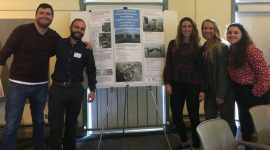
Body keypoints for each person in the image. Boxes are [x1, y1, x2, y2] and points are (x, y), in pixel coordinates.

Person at [0, 3, 91, 150]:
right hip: (17, 85)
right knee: (11, 124)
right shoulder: (21, 31)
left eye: (48, 14)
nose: (44, 16)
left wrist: (85, 44)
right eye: (41, 13)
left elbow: (68, 45)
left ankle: (39, 147)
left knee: (39, 121)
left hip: (40, 86)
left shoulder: (53, 37)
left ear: (52, 17)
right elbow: (3, 55)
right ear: (36, 15)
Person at [48, 18, 96, 150]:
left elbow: (91, 71)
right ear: (70, 28)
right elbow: (44, 52)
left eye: (82, 29)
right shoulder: (59, 43)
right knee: (55, 126)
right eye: (76, 27)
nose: (79, 30)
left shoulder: (86, 49)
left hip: (75, 90)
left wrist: (92, 89)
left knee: (71, 126)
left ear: (84, 31)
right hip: (57, 89)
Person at [163, 17, 205, 150]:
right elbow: (168, 64)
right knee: (176, 116)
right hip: (176, 84)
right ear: (180, 29)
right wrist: (167, 83)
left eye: (189, 26)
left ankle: (196, 146)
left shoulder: (198, 47)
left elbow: (200, 69)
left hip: (193, 85)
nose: (187, 29)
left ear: (193, 29)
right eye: (184, 26)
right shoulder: (173, 44)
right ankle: (184, 142)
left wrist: (202, 89)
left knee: (194, 117)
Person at [226, 23, 270, 150]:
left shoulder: (250, 50)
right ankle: (247, 147)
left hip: (256, 92)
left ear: (242, 35)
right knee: (245, 125)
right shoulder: (230, 50)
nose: (232, 35)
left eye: (236, 32)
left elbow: (265, 75)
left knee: (259, 127)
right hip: (241, 92)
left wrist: (253, 93)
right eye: (230, 32)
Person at [201, 19, 237, 136]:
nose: (207, 31)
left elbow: (223, 72)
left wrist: (220, 94)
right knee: (209, 119)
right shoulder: (204, 46)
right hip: (210, 91)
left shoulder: (222, 47)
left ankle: (231, 146)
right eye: (205, 28)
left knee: (228, 121)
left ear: (215, 30)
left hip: (224, 91)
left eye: (210, 28)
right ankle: (214, 145)